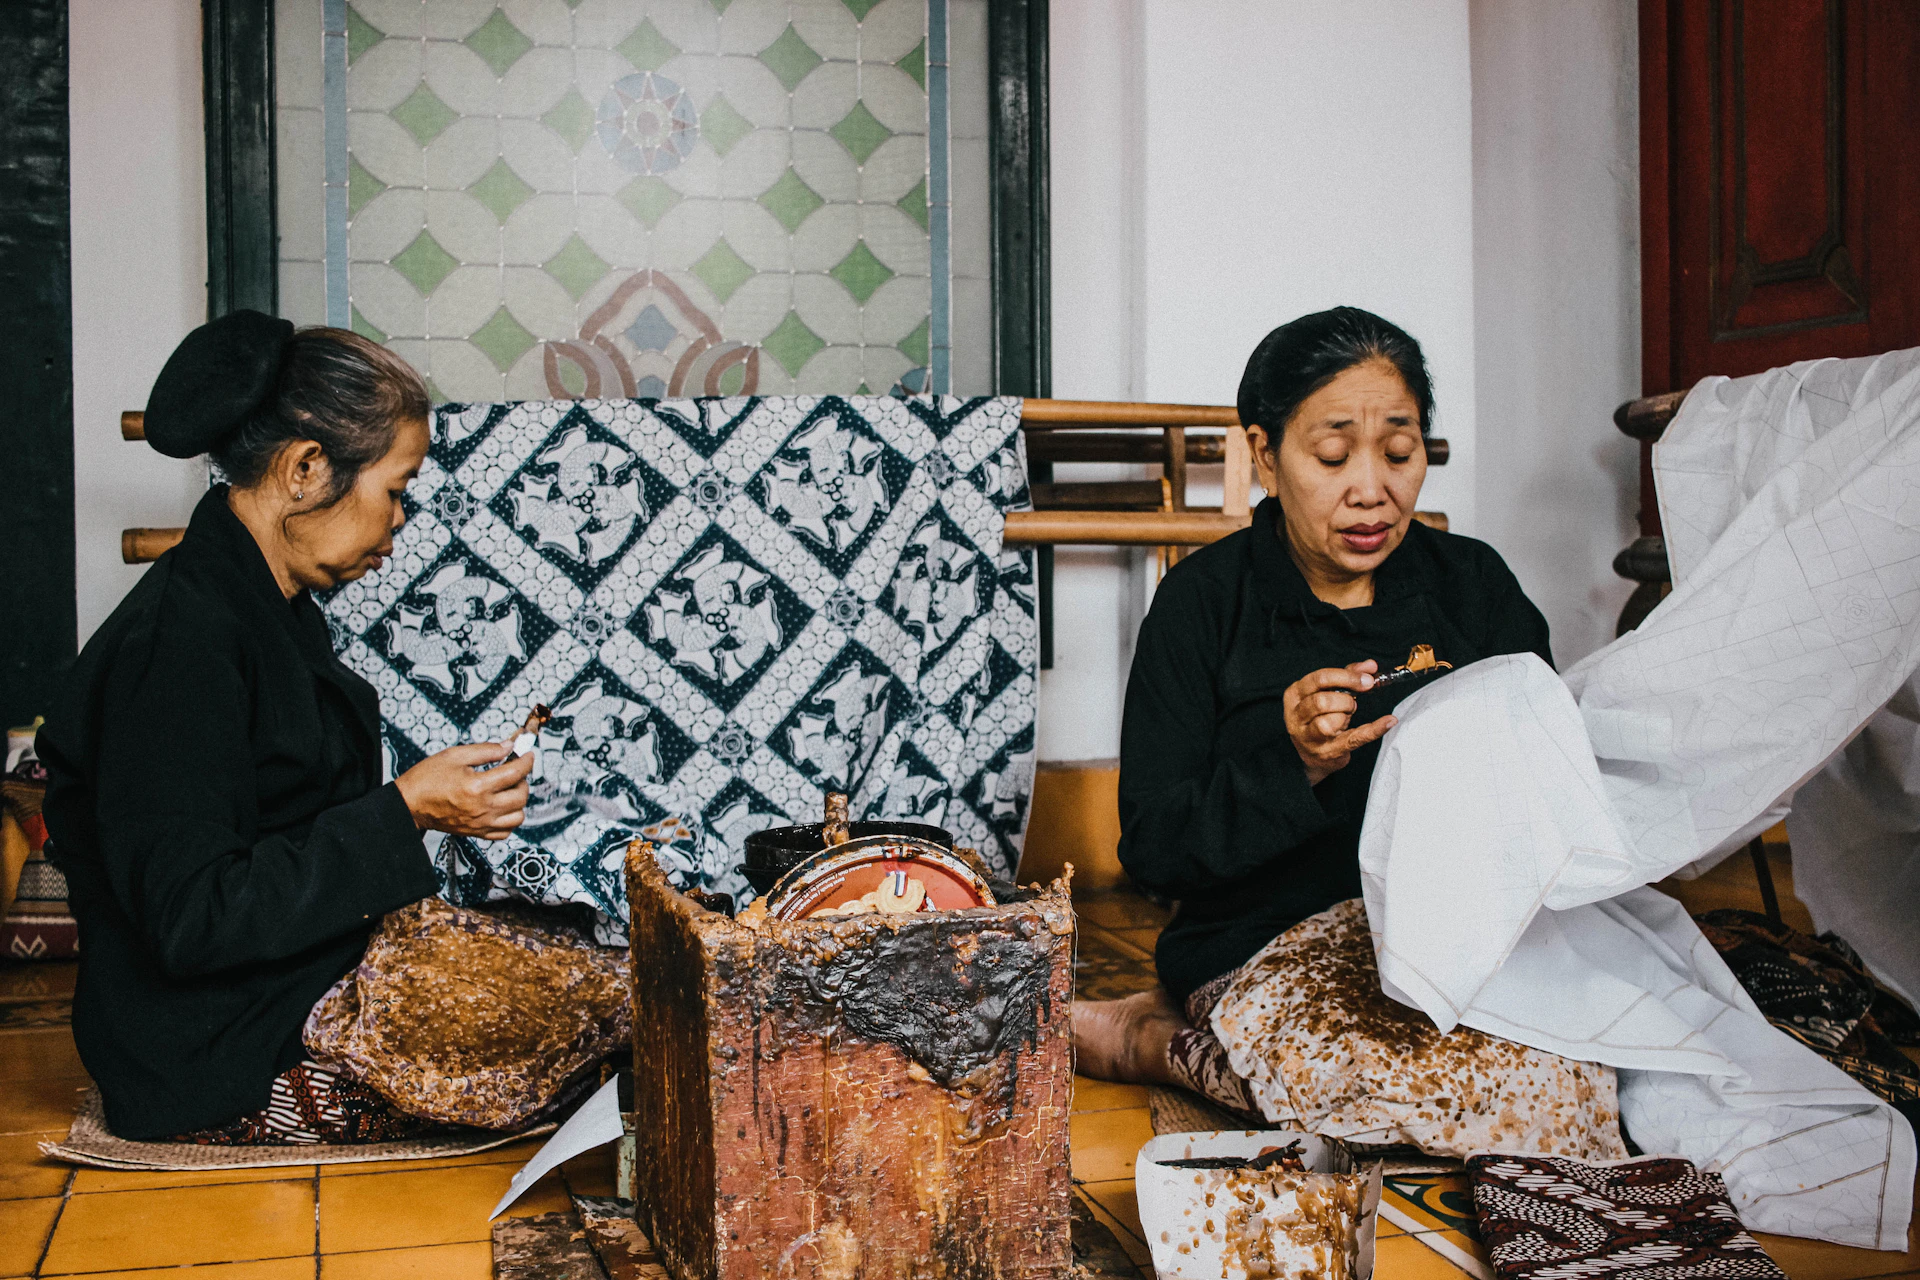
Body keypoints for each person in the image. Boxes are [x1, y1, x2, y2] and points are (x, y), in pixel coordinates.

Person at [39, 312, 536, 1143]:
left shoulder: (268, 607)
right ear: (306, 468)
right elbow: (193, 916)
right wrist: (406, 810)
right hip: (215, 1051)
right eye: (395, 490)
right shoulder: (179, 645)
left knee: (598, 973)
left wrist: (415, 813)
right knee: (604, 1030)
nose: (400, 520)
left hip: (281, 990)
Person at [1072, 307, 1552, 1105]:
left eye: (1399, 453)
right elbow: (1154, 849)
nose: (1372, 491)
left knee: (1587, 1074)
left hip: (1454, 937)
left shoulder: (1474, 586)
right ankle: (1146, 1041)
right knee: (1373, 1094)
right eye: (1332, 457)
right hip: (1263, 944)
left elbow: (1548, 782)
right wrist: (1291, 763)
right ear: (1266, 454)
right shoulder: (1202, 605)